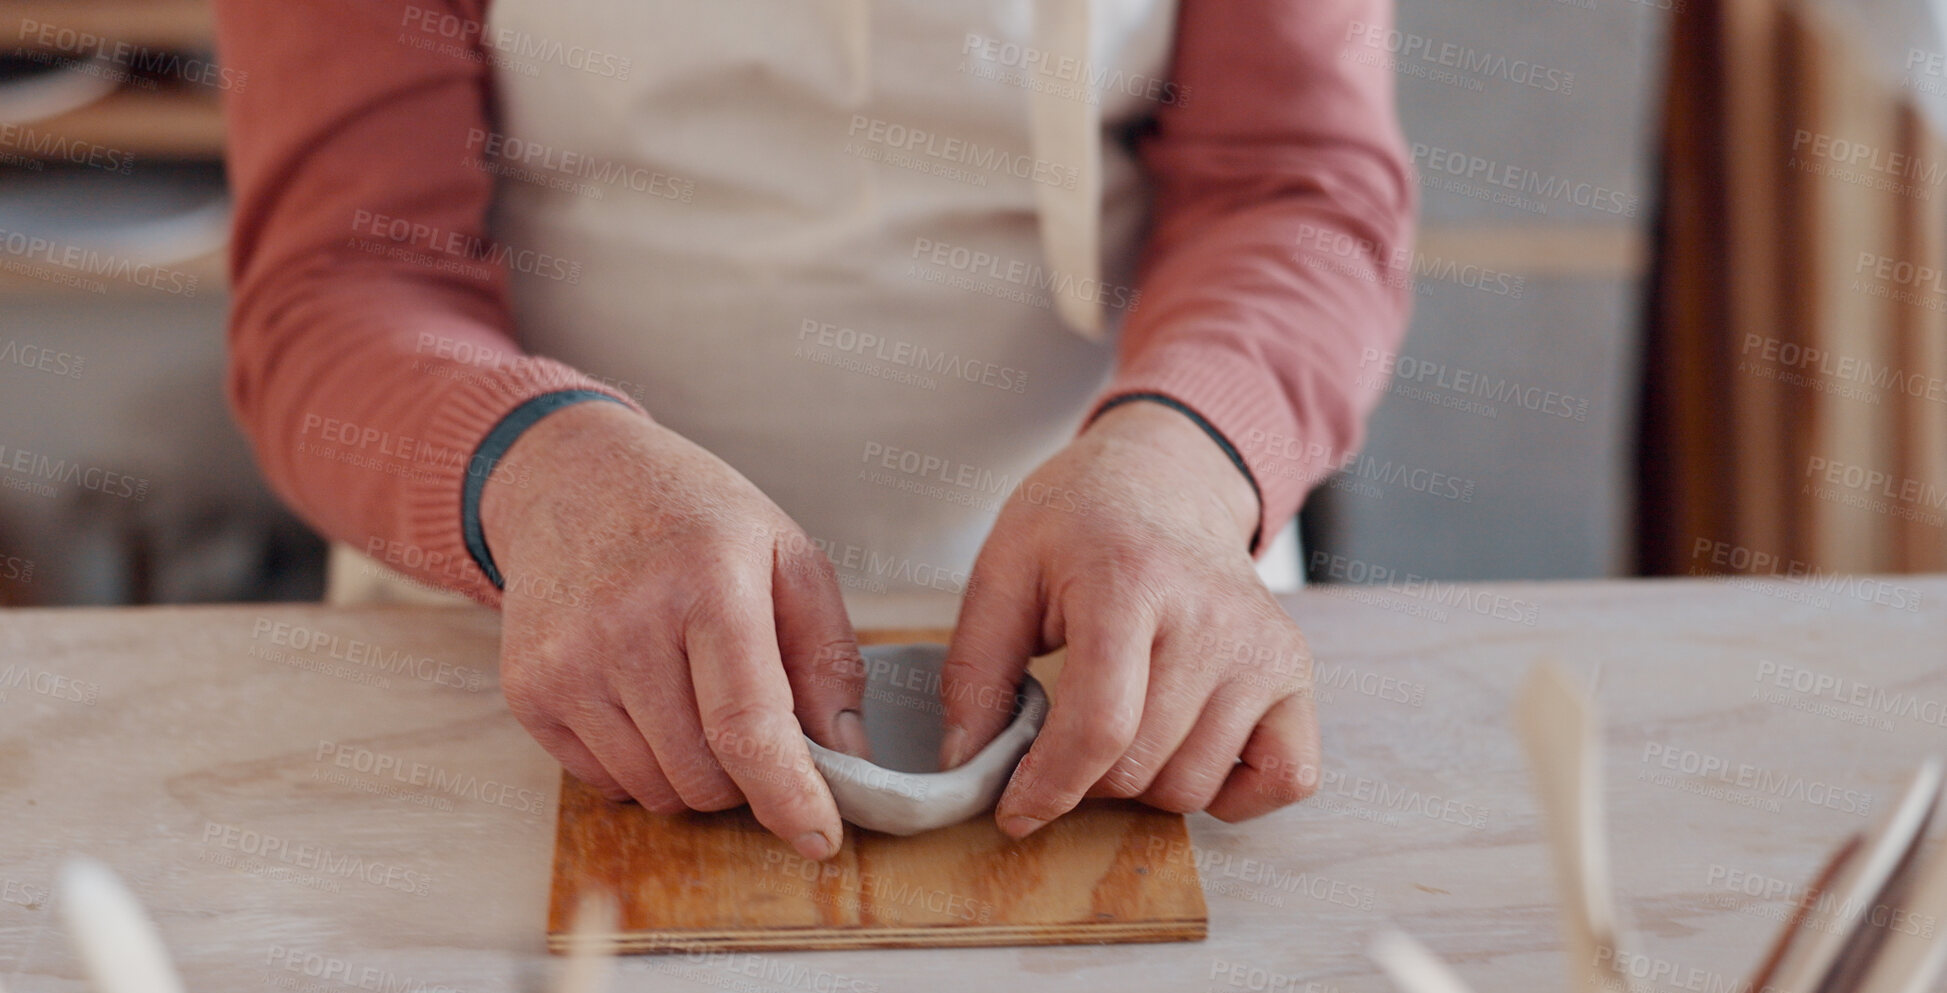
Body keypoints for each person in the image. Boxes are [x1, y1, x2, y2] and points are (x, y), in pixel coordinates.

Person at [214, 0, 1414, 861]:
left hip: (1129, 601)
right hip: (529, 599)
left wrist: (1188, 465)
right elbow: (340, 277)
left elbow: (1295, 193)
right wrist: (539, 470)